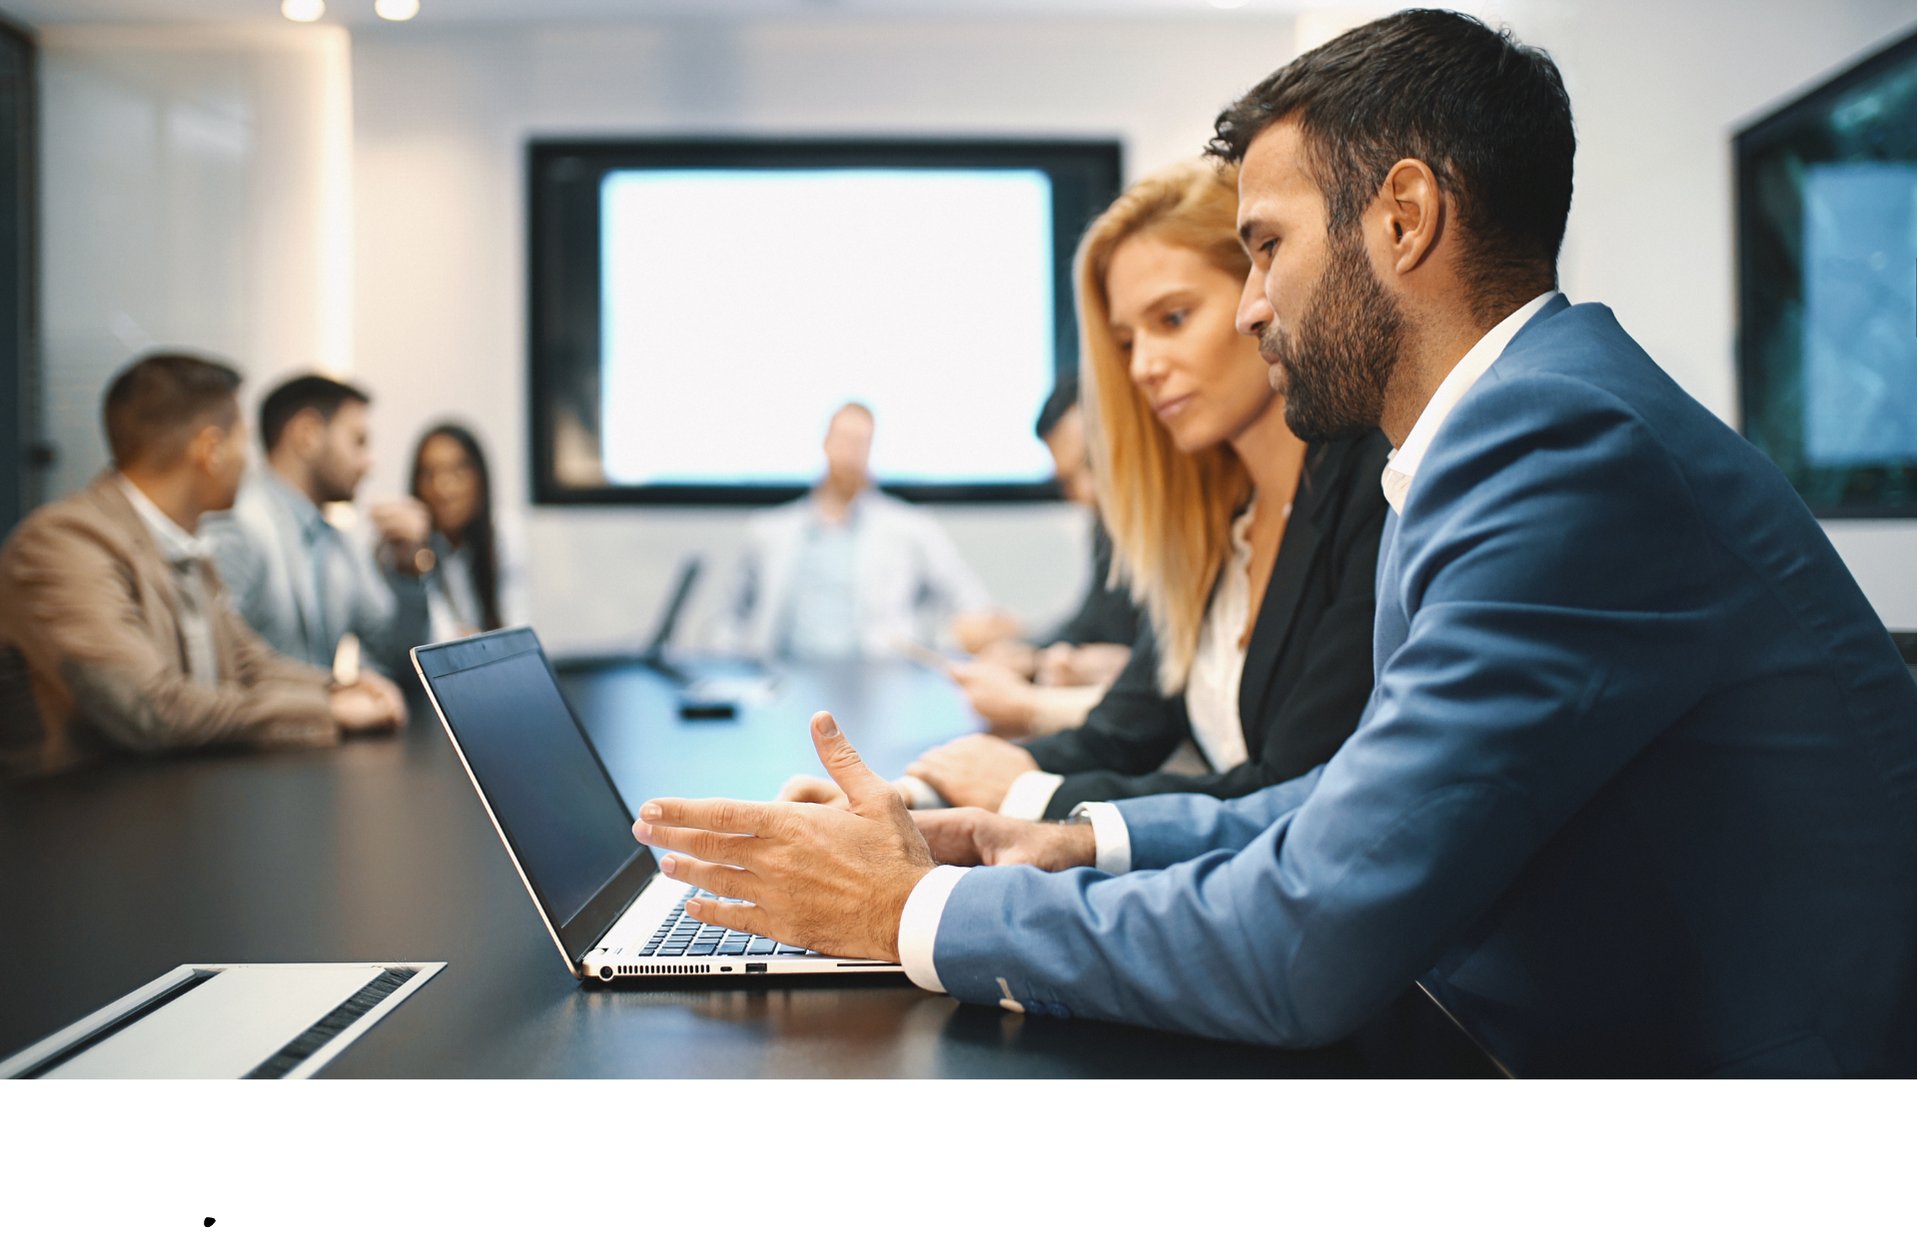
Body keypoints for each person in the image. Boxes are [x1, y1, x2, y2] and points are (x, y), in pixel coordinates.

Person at [632, 10, 1916, 1076]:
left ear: (1403, 217)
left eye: (1264, 249)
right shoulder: (1533, 425)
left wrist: (908, 910)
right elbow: (1354, 804)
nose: (1254, 309)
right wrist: (1060, 843)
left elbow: (1308, 941)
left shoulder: (1559, 450)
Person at [904, 160, 1388, 820]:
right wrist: (910, 796)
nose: (1144, 367)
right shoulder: (1214, 527)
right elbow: (1120, 735)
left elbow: (1292, 789)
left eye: (1173, 318)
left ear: (1259, 294)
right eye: (1127, 341)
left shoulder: (1371, 486)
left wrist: (1028, 795)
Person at [0, 353, 406, 777]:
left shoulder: (183, 542)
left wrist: (338, 686)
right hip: (74, 828)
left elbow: (247, 662)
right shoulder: (61, 544)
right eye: (244, 442)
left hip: (173, 807)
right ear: (211, 450)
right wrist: (327, 709)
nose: (250, 462)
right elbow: (149, 707)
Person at [944, 372, 1142, 738]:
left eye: (1093, 464)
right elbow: (1090, 622)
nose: (1084, 492)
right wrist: (1023, 650)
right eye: (1067, 480)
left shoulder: (1168, 525)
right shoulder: (1108, 527)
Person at [718, 401, 993, 661]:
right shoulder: (769, 531)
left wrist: (939, 647)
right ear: (826, 443)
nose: (851, 453)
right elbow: (730, 617)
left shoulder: (910, 528)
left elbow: (971, 603)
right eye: (844, 440)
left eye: (861, 443)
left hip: (878, 676)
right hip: (785, 672)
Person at [203, 374, 431, 678]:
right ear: (308, 434)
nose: (368, 463)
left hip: (319, 719)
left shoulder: (340, 542)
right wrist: (331, 700)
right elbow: (215, 669)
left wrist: (407, 571)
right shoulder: (237, 523)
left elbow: (401, 660)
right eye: (358, 441)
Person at [409, 421, 528, 642]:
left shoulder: (502, 532)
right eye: (429, 474)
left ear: (480, 477)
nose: (443, 487)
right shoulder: (410, 546)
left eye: (458, 470)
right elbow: (430, 636)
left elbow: (516, 624)